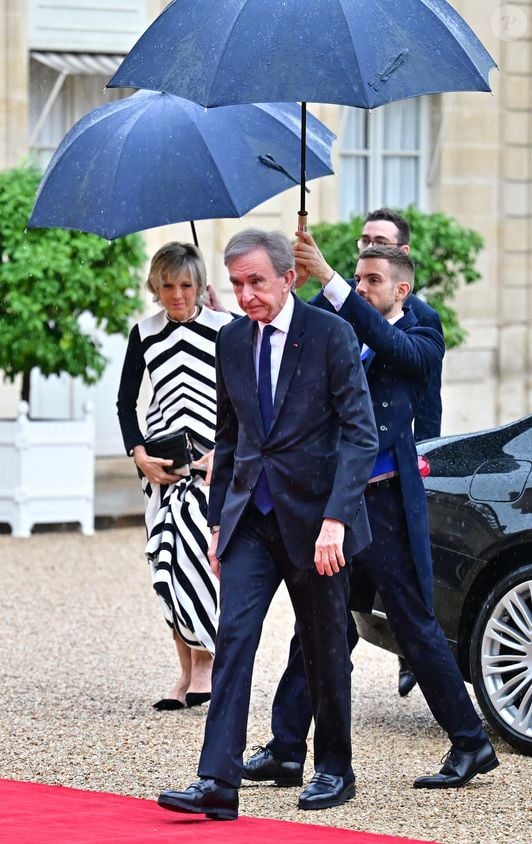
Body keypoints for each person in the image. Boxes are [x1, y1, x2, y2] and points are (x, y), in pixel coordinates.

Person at [243, 238, 498, 791]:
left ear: (401, 289)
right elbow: (301, 328)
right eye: (356, 279)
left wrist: (329, 277)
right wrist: (280, 286)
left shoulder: (421, 336)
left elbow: (391, 345)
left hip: (385, 504)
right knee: (317, 626)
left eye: (372, 280)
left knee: (413, 622)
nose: (360, 288)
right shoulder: (345, 331)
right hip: (340, 503)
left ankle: (470, 741)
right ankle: (286, 748)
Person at [157, 229, 378, 820]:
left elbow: (361, 436)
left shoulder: (331, 334)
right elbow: (228, 437)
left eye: (256, 281)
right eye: (237, 284)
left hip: (317, 524)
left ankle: (334, 769)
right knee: (233, 640)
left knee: (323, 647)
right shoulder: (230, 340)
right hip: (249, 520)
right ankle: (217, 782)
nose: (246, 294)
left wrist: (336, 519)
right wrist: (216, 524)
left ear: (289, 277)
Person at [310, 207, 443, 696]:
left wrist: (426, 457)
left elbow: (421, 390)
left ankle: (459, 724)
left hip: (390, 483)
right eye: (363, 242)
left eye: (378, 244)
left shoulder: (422, 322)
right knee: (324, 621)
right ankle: (293, 730)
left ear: (401, 263)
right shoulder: (348, 301)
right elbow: (305, 321)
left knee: (410, 612)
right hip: (344, 488)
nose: (367, 249)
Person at [116, 242, 233, 711]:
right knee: (163, 564)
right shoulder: (144, 333)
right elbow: (126, 403)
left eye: (186, 285)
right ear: (155, 287)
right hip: (161, 468)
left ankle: (205, 664)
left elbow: (248, 398)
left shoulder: (226, 329)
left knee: (197, 558)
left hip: (210, 467)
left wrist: (225, 452)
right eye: (168, 286)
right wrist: (138, 454)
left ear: (200, 285)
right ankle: (185, 672)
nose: (178, 294)